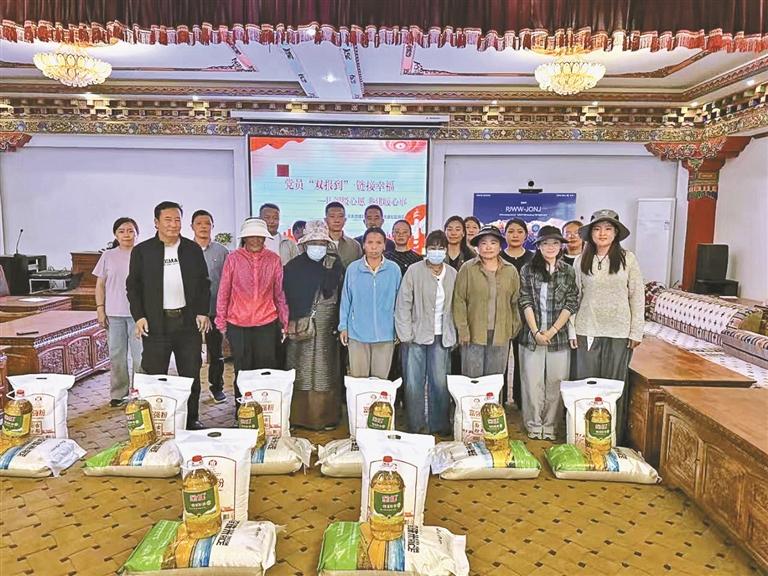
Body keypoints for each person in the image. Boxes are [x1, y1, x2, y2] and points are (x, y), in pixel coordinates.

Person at [127, 201, 210, 430]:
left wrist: (202, 311)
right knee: (154, 376)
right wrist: (139, 316)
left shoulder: (192, 250)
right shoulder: (143, 251)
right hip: (156, 324)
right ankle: (156, 421)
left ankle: (190, 419)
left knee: (190, 374)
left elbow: (204, 284)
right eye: (168, 220)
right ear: (156, 222)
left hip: (187, 323)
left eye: (177, 220)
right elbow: (133, 287)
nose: (173, 224)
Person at [572, 209, 644, 445]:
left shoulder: (627, 259)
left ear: (616, 233)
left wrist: (636, 331)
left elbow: (637, 296)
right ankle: (582, 435)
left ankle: (611, 438)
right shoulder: (580, 260)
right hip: (587, 329)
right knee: (586, 384)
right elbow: (574, 298)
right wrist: (571, 329)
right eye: (597, 229)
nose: (602, 233)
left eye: (608, 229)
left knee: (613, 386)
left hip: (619, 331)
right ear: (590, 233)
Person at [216, 218, 288, 406]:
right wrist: (221, 322)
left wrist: (284, 320)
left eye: (259, 236)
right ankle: (243, 411)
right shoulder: (233, 259)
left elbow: (279, 293)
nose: (255, 240)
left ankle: (266, 409)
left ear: (265, 238)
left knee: (266, 369)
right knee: (243, 370)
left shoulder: (273, 259)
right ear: (245, 238)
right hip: (238, 324)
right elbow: (224, 291)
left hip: (267, 323)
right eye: (251, 236)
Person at [518, 226, 579, 440]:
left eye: (554, 243)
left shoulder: (568, 271)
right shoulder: (528, 269)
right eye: (545, 243)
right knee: (532, 381)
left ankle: (551, 425)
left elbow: (571, 302)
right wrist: (536, 332)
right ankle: (534, 424)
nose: (550, 247)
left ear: (560, 246)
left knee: (557, 381)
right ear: (539, 246)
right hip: (532, 334)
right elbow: (525, 300)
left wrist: (552, 331)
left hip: (558, 335)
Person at [283, 220, 345, 430]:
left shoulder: (335, 264)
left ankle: (326, 417)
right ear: (305, 244)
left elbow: (341, 294)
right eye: (313, 243)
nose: (317, 247)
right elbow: (285, 296)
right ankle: (298, 417)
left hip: (328, 326)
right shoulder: (293, 267)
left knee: (325, 371)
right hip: (300, 326)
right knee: (300, 370)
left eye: (321, 243)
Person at [395, 230, 456, 435]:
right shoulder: (414, 271)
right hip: (415, 335)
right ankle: (416, 425)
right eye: (432, 248)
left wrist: (455, 333)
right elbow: (403, 304)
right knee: (414, 382)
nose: (436, 252)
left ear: (446, 250)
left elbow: (457, 305)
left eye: (440, 248)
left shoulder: (453, 273)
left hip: (442, 335)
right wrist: (405, 334)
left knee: (440, 382)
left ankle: (439, 425)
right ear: (426, 249)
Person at [453, 225, 522, 378]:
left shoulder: (510, 270)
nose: (488, 247)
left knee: (495, 380)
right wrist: (463, 330)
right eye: (483, 243)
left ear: (500, 246)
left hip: (501, 335)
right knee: (472, 380)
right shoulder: (467, 269)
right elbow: (459, 301)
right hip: (473, 334)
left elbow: (515, 302)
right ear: (478, 247)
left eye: (493, 242)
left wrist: (513, 328)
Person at [339, 227, 401, 378]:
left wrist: (399, 328)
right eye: (370, 242)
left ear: (384, 245)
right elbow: (346, 299)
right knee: (359, 382)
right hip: (357, 334)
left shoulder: (393, 269)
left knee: (380, 382)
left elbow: (400, 303)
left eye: (378, 243)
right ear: (363, 245)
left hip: (385, 334)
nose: (374, 247)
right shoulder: (353, 269)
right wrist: (343, 326)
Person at [94, 217, 143, 407]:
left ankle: (140, 392)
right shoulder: (108, 256)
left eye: (130, 231)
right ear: (115, 234)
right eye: (121, 231)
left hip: (138, 315)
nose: (126, 235)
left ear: (137, 234)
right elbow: (100, 285)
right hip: (114, 314)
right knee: (117, 356)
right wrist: (100, 309)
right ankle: (118, 393)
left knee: (140, 357)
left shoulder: (142, 254)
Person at [191, 209, 229, 404]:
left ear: (213, 226)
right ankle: (193, 391)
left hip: (215, 310)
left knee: (216, 353)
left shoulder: (222, 252)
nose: (203, 227)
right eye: (199, 223)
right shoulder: (185, 249)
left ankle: (217, 387)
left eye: (207, 223)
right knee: (191, 355)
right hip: (191, 312)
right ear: (192, 226)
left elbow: (227, 281)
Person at [500, 218, 534, 407]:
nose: (515, 235)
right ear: (505, 235)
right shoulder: (497, 257)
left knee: (524, 360)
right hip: (502, 315)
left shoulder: (533, 258)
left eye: (520, 232)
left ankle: (521, 401)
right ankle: (500, 400)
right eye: (511, 231)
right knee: (501, 360)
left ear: (526, 236)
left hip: (527, 316)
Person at [325, 201, 363, 268]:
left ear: (345, 220)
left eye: (340, 216)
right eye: (332, 216)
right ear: (325, 220)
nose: (337, 220)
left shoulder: (355, 246)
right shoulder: (319, 244)